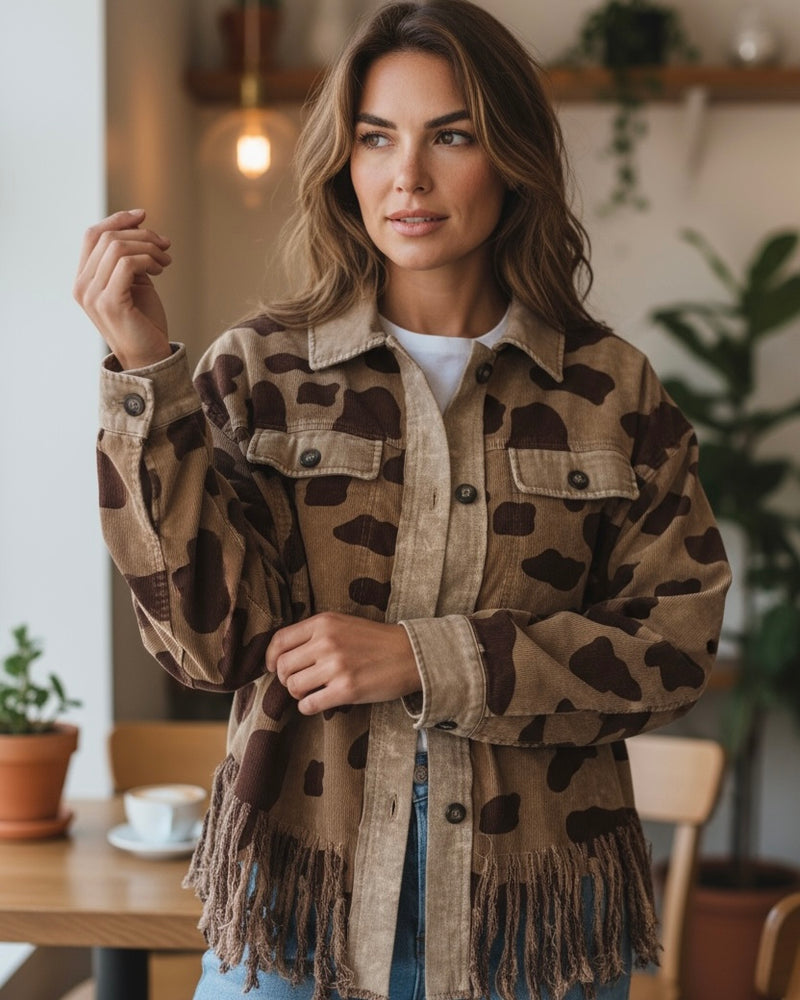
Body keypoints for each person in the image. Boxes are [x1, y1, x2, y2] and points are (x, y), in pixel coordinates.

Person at [74, 2, 731, 998]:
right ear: (344, 158)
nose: (405, 177)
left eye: (450, 136)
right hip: (300, 903)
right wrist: (138, 368)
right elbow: (205, 644)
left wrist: (424, 657)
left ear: (509, 157)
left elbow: (673, 648)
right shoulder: (259, 372)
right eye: (376, 138)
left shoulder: (608, 390)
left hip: (535, 923)